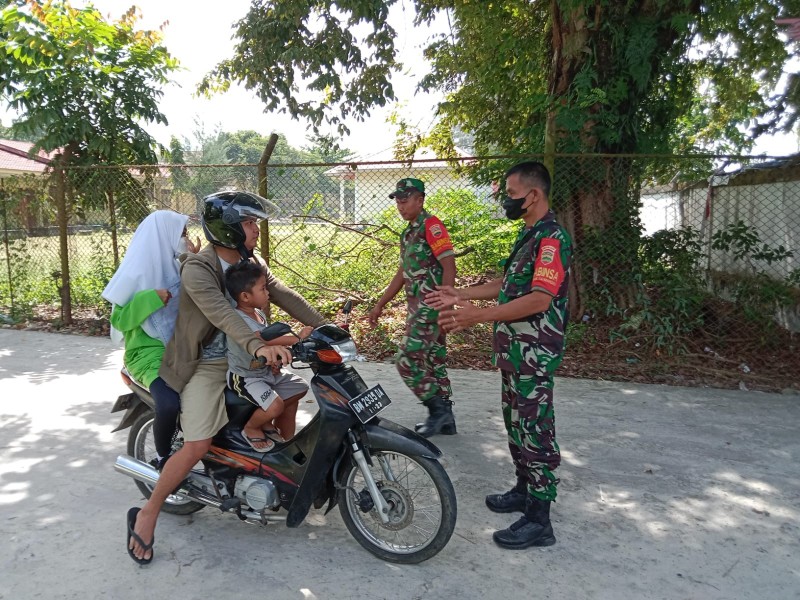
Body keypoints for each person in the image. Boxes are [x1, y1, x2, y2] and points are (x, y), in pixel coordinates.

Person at [126, 191, 327, 565]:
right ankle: (149, 511)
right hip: (206, 363)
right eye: (249, 223)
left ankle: (284, 473)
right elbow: (221, 314)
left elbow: (283, 293)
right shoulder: (198, 269)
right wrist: (257, 345)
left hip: (246, 358)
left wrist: (323, 325)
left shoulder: (252, 262)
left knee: (293, 392)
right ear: (229, 229)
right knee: (197, 443)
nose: (255, 229)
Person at [426, 161, 572, 550]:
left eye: (511, 194)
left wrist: (477, 316)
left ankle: (540, 520)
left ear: (533, 195)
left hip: (534, 354)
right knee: (516, 425)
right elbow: (508, 287)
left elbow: (540, 298)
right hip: (516, 354)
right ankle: (525, 491)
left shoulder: (552, 239)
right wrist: (463, 295)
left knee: (536, 431)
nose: (506, 201)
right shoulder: (531, 235)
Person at [102, 210, 200, 470]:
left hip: (181, 347)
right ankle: (164, 460)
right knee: (168, 403)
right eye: (181, 234)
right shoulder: (136, 271)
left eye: (185, 233)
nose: (185, 238)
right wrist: (151, 298)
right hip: (147, 354)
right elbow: (120, 320)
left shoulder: (178, 263)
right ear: (163, 236)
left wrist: (194, 260)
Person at [367, 177, 457, 438]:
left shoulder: (432, 226)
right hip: (420, 307)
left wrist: (447, 303)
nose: (400, 205)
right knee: (433, 360)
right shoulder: (409, 232)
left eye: (405, 200)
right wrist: (380, 305)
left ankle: (437, 410)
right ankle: (446, 420)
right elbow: (403, 273)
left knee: (406, 360)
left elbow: (449, 265)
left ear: (420, 199)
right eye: (397, 200)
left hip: (430, 306)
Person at [224, 260, 314, 451]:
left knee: (299, 386)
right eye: (263, 289)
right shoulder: (238, 318)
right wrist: (296, 338)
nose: (268, 293)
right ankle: (251, 427)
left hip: (265, 373)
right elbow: (261, 340)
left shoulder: (258, 313)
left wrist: (276, 360)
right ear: (245, 296)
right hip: (246, 377)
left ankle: (284, 438)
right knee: (275, 407)